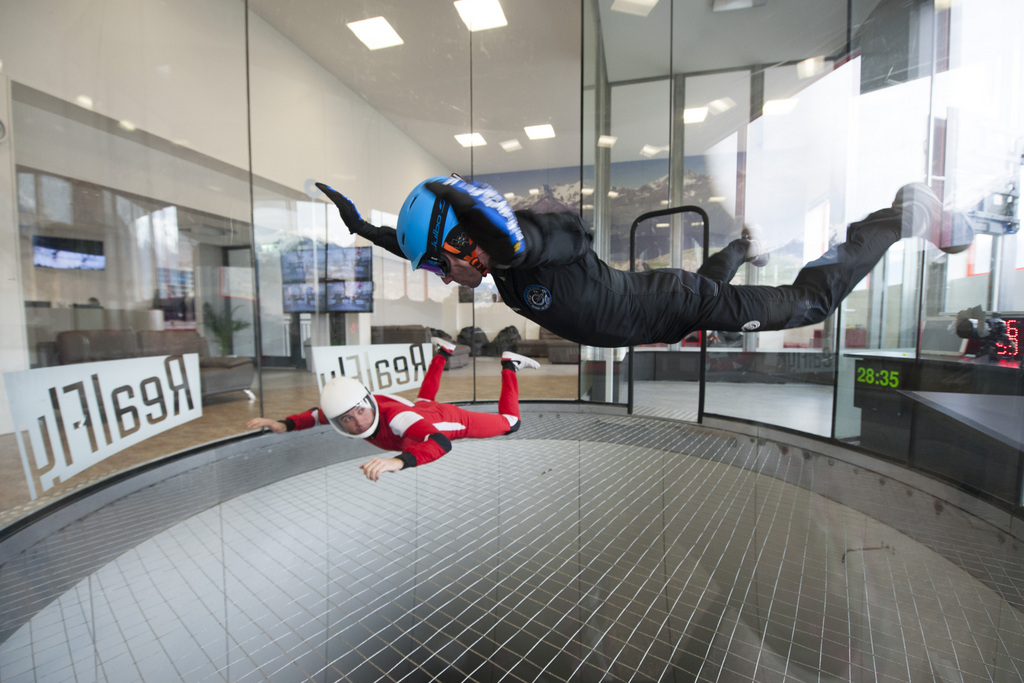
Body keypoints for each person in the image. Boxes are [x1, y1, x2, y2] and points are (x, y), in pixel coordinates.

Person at [315, 178, 974, 348]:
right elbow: (491, 249)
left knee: (810, 303)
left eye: (437, 264)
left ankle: (900, 216)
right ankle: (743, 244)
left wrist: (511, 241)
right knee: (711, 283)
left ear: (468, 243)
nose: (440, 278)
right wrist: (364, 228)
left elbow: (547, 242)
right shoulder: (497, 263)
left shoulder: (541, 242)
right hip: (663, 308)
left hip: (676, 305)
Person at [246, 339, 540, 481]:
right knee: (425, 398)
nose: (358, 422)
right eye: (347, 419)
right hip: (420, 409)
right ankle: (443, 352)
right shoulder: (347, 409)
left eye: (360, 412)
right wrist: (284, 424)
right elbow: (314, 415)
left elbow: (440, 443)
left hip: (439, 422)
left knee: (510, 423)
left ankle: (508, 366)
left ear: (367, 403)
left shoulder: (397, 419)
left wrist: (398, 462)